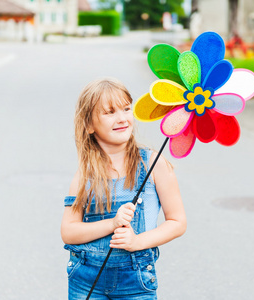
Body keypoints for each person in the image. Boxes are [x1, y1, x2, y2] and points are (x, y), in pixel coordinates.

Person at [61, 78, 187, 300]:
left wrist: (137, 242)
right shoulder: (85, 174)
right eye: (109, 112)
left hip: (135, 280)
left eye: (126, 109)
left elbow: (177, 222)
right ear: (89, 125)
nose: (121, 118)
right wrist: (111, 223)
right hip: (86, 278)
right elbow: (69, 231)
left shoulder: (153, 163)